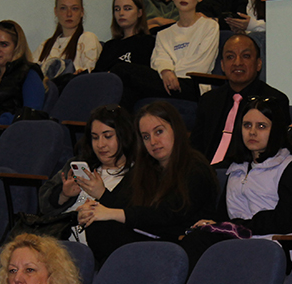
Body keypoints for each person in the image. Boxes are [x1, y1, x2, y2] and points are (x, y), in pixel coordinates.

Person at [75, 101, 217, 260]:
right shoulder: (145, 167)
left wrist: (109, 210)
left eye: (159, 132)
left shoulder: (196, 168)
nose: (153, 142)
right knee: (98, 225)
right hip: (151, 237)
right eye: (146, 137)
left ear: (175, 129)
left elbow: (166, 215)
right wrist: (93, 211)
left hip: (181, 242)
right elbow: (123, 202)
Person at [181, 96, 292, 267]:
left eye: (261, 126)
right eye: (247, 125)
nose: (252, 132)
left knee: (201, 245)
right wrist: (215, 225)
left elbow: (285, 220)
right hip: (238, 239)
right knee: (194, 239)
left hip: (274, 245)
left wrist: (234, 226)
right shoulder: (236, 168)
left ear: (276, 130)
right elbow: (223, 215)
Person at [38, 105, 137, 258]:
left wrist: (102, 194)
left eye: (108, 136)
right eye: (95, 137)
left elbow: (132, 218)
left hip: (92, 251)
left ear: (124, 136)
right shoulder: (80, 164)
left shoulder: (136, 176)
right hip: (55, 241)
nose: (100, 144)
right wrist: (63, 195)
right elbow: (43, 204)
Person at [189, 34, 289, 164]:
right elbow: (195, 148)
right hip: (207, 172)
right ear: (222, 65)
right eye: (230, 57)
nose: (237, 63)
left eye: (245, 56)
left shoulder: (274, 100)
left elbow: (274, 151)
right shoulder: (209, 100)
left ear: (259, 64)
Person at [115, 0, 219, 108]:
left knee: (121, 69)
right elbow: (159, 59)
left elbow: (201, 64)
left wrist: (172, 74)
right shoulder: (164, 34)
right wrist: (166, 71)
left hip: (194, 86)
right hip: (166, 81)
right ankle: (114, 117)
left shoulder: (210, 26)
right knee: (129, 91)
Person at [36, 0, 102, 88]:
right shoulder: (45, 46)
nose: (69, 14)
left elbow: (89, 77)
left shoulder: (88, 38)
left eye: (74, 8)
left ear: (82, 12)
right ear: (56, 11)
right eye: (63, 8)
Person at [93, 0, 156, 73]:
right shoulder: (109, 46)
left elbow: (145, 74)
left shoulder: (148, 42)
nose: (121, 13)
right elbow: (96, 74)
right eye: (117, 9)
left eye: (127, 9)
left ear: (139, 13)